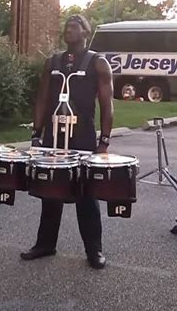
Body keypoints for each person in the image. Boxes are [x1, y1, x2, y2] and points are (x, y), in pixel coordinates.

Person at [20, 15, 113, 269]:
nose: (68, 30)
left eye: (74, 27)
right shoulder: (53, 62)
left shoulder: (98, 63)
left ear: (86, 32)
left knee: (86, 194)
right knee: (51, 190)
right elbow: (40, 99)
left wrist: (104, 140)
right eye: (66, 27)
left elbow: (107, 104)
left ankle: (94, 250)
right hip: (53, 137)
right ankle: (45, 244)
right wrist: (36, 134)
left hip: (82, 137)